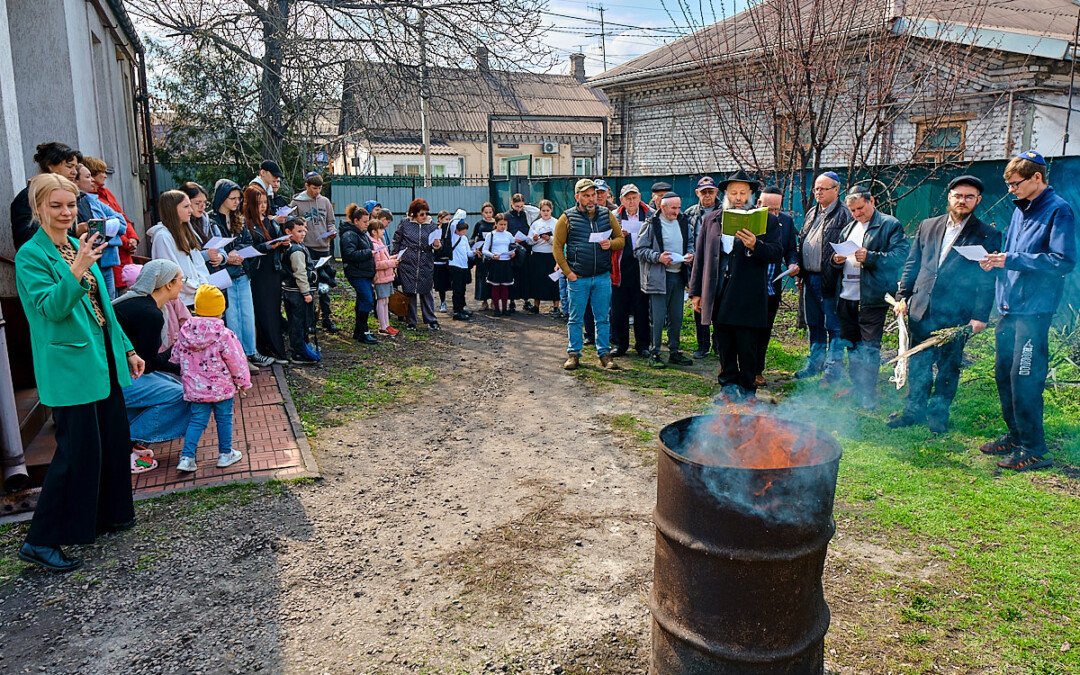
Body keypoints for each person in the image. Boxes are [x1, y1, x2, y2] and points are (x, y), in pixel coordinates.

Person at [14, 173, 143, 572]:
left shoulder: (74, 244)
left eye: (70, 205)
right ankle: (40, 540)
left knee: (111, 440)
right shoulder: (31, 256)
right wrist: (77, 269)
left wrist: (128, 348)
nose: (66, 213)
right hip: (70, 367)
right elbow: (51, 308)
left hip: (101, 358)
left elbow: (104, 306)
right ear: (38, 209)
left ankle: (107, 515)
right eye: (56, 206)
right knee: (75, 454)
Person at [978, 150, 1076, 471]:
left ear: (1037, 178)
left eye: (1015, 183)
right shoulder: (1021, 209)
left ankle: (1036, 450)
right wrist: (997, 259)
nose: (1010, 190)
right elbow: (1016, 254)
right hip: (1010, 307)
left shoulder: (1058, 210)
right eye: (1007, 185)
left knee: (1024, 379)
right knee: (1003, 374)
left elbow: (1062, 261)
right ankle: (1016, 434)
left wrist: (1012, 259)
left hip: (1034, 311)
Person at [889, 175, 1002, 433]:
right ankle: (913, 411)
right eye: (958, 196)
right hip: (922, 306)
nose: (963, 201)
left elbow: (988, 279)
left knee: (949, 366)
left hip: (957, 312)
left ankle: (938, 415)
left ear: (978, 200)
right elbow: (912, 263)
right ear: (949, 197)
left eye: (969, 197)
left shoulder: (988, 234)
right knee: (918, 362)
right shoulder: (928, 225)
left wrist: (980, 316)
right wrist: (902, 296)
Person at [690, 169, 782, 400]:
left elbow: (776, 253)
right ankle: (728, 389)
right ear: (726, 194)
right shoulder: (712, 219)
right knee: (724, 343)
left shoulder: (766, 220)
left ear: (751, 193)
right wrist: (696, 292)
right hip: (719, 292)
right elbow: (701, 256)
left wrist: (755, 245)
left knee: (747, 345)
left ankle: (748, 390)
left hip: (748, 295)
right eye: (734, 193)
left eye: (743, 192)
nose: (738, 197)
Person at [828, 186, 909, 409]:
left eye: (860, 208)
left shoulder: (889, 225)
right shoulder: (848, 228)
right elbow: (840, 258)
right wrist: (836, 260)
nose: (857, 214)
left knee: (870, 348)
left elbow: (902, 256)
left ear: (871, 200)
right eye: (853, 210)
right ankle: (857, 385)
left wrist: (871, 256)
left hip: (872, 298)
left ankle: (868, 392)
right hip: (846, 296)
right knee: (852, 345)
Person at [113, 260, 192, 466]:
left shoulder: (133, 303)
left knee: (174, 386)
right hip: (118, 380)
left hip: (113, 375)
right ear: (167, 284)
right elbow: (148, 364)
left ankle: (126, 441)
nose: (182, 285)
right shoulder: (151, 314)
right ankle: (126, 442)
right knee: (184, 395)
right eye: (180, 280)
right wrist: (177, 357)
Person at [171, 284, 251, 473]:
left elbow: (175, 356)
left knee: (197, 420)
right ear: (221, 310)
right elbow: (236, 361)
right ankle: (225, 454)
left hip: (195, 389)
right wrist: (243, 382)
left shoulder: (185, 333)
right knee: (224, 419)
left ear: (197, 308)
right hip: (221, 388)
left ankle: (187, 457)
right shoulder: (224, 335)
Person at [552, 178, 626, 371]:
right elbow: (557, 247)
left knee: (602, 318)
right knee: (575, 318)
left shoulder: (606, 214)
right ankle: (574, 354)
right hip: (579, 278)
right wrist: (568, 273)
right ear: (578, 197)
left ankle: (604, 355)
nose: (591, 199)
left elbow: (620, 240)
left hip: (601, 276)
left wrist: (611, 244)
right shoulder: (567, 218)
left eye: (593, 195)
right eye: (586, 195)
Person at [796, 171, 851, 381]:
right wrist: (800, 270)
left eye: (823, 188)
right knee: (814, 322)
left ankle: (833, 370)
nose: (818, 192)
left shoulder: (844, 213)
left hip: (831, 278)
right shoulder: (812, 212)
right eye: (816, 188)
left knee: (833, 324)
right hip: (810, 277)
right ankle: (815, 363)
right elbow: (803, 240)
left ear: (836, 190)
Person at [210, 179, 270, 369]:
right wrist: (229, 256)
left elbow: (246, 241)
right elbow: (213, 246)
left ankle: (251, 352)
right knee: (231, 315)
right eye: (232, 198)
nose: (236, 202)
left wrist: (239, 253)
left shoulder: (238, 219)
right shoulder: (211, 220)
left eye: (238, 198)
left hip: (242, 272)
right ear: (222, 198)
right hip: (224, 274)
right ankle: (238, 356)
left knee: (247, 314)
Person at [635, 191, 694, 368]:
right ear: (662, 207)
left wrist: (691, 254)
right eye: (673, 208)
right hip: (658, 277)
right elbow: (639, 250)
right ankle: (655, 352)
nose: (677, 211)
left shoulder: (683, 221)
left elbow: (690, 242)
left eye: (678, 207)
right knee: (658, 318)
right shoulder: (651, 223)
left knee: (677, 317)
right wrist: (658, 257)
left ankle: (674, 351)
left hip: (678, 275)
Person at [756, 185, 800, 385]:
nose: (773, 214)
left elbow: (791, 249)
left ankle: (757, 370)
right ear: (758, 204)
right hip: (748, 289)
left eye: (777, 209)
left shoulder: (786, 222)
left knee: (764, 331)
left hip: (772, 287)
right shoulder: (750, 220)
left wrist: (792, 263)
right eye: (768, 209)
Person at [242, 184, 290, 363]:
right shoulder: (247, 224)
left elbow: (279, 244)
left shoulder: (270, 221)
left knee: (274, 311)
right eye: (259, 203)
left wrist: (284, 244)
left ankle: (277, 349)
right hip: (259, 273)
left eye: (264, 202)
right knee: (263, 311)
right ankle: (267, 349)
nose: (263, 206)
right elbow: (248, 249)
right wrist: (266, 247)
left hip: (274, 270)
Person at [82, 156, 139, 293]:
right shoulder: (89, 199)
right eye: (101, 172)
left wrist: (133, 238)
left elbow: (121, 218)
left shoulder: (105, 193)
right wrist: (125, 241)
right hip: (109, 253)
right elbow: (98, 228)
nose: (105, 176)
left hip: (120, 253)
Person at [290, 172, 338, 333]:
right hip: (307, 248)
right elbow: (291, 223)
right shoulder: (297, 202)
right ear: (307, 186)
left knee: (324, 285)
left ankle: (326, 317)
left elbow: (330, 222)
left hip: (323, 247)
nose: (317, 191)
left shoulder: (325, 202)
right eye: (314, 188)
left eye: (319, 188)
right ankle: (309, 320)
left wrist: (332, 232)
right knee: (309, 285)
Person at [11, 141, 81, 250]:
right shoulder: (28, 197)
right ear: (50, 166)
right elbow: (26, 239)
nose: (75, 172)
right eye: (69, 166)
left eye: (71, 205)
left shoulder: (75, 194)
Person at [148, 190, 211, 307]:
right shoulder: (163, 236)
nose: (191, 210)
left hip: (197, 296)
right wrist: (196, 287)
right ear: (172, 209)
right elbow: (171, 273)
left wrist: (204, 285)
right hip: (180, 301)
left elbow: (199, 263)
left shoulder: (186, 230)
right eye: (186, 206)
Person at [611, 184, 652, 357]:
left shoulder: (650, 214)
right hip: (620, 265)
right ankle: (621, 344)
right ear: (621, 200)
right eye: (628, 198)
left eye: (634, 197)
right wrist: (618, 235)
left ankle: (642, 345)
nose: (631, 201)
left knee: (641, 306)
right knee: (619, 307)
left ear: (640, 197)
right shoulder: (614, 216)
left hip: (643, 265)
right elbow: (606, 239)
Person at [74, 163, 125, 299]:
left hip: (105, 261)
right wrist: (106, 226)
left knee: (110, 302)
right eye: (88, 176)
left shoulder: (93, 200)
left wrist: (101, 226)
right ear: (75, 180)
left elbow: (122, 224)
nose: (92, 180)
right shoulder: (74, 205)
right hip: (87, 264)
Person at [684, 176, 721, 359]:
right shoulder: (690, 213)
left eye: (710, 191)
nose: (707, 195)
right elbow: (685, 238)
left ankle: (718, 344)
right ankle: (702, 345)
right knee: (698, 305)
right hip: (696, 265)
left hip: (718, 264)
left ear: (716, 192)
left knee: (718, 306)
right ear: (697, 193)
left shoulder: (724, 211)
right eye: (703, 192)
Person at [393, 198, 442, 330]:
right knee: (410, 292)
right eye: (421, 214)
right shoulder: (405, 223)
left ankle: (431, 320)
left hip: (425, 262)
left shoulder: (432, 225)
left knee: (426, 292)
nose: (424, 216)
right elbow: (397, 240)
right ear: (414, 213)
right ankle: (411, 321)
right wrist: (395, 258)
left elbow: (436, 243)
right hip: (408, 263)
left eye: (426, 213)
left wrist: (437, 245)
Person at [280, 217, 319, 363]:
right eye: (299, 231)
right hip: (297, 293)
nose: (303, 233)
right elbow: (300, 273)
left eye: (304, 230)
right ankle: (298, 352)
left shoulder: (296, 246)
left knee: (298, 322)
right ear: (288, 232)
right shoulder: (296, 250)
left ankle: (302, 348)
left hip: (293, 291)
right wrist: (306, 292)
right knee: (298, 323)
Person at [340, 203, 380, 344]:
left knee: (363, 299)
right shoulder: (349, 234)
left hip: (364, 272)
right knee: (367, 299)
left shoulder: (361, 234)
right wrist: (368, 253)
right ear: (355, 221)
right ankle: (363, 331)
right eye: (364, 221)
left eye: (367, 221)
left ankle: (359, 331)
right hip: (356, 273)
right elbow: (349, 254)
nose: (367, 224)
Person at [481, 212, 521, 316]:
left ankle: (504, 308)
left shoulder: (509, 235)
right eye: (501, 224)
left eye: (505, 225)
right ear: (496, 223)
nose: (503, 227)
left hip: (506, 263)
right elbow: (484, 250)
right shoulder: (491, 235)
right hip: (495, 263)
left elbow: (514, 247)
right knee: (495, 286)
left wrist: (513, 253)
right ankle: (496, 309)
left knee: (505, 286)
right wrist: (492, 255)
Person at [526, 200, 560, 315]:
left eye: (547, 210)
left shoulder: (556, 223)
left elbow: (560, 241)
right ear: (540, 211)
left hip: (551, 255)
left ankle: (556, 306)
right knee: (537, 280)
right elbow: (528, 240)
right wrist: (534, 239)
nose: (545, 213)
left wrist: (549, 239)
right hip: (538, 255)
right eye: (543, 210)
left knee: (554, 280)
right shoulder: (536, 224)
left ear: (551, 210)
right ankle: (536, 305)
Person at [370, 214, 400, 336]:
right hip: (380, 278)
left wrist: (395, 257)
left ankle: (387, 325)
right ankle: (383, 326)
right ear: (374, 232)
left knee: (386, 301)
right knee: (381, 301)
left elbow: (384, 258)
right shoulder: (374, 245)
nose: (383, 231)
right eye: (381, 229)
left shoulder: (380, 242)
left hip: (386, 277)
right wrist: (392, 262)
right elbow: (377, 264)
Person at [505, 194, 532, 312]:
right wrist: (512, 239)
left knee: (525, 275)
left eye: (521, 206)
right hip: (513, 248)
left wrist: (525, 208)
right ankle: (512, 301)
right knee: (513, 275)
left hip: (525, 247)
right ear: (512, 204)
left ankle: (526, 299)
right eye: (517, 206)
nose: (519, 209)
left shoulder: (525, 214)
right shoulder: (507, 216)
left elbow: (535, 211)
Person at [448, 214, 475, 320]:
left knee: (463, 289)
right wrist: (460, 216)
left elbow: (468, 253)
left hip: (464, 266)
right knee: (457, 289)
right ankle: (456, 310)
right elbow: (452, 224)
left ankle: (462, 307)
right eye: (462, 230)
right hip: (455, 265)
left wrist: (474, 252)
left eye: (465, 230)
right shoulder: (453, 237)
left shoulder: (464, 238)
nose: (464, 232)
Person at [472, 203, 497, 310]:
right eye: (486, 212)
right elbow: (473, 238)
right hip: (481, 255)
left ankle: (493, 301)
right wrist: (475, 248)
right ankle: (484, 300)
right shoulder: (479, 224)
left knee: (493, 277)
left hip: (493, 254)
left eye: (490, 212)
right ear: (482, 213)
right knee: (482, 277)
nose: (488, 214)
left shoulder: (496, 223)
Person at [431, 210, 454, 312]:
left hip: (449, 262)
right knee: (441, 286)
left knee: (452, 283)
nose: (448, 222)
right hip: (438, 261)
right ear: (440, 219)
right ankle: (442, 302)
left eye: (450, 219)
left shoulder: (451, 230)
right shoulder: (435, 230)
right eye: (446, 219)